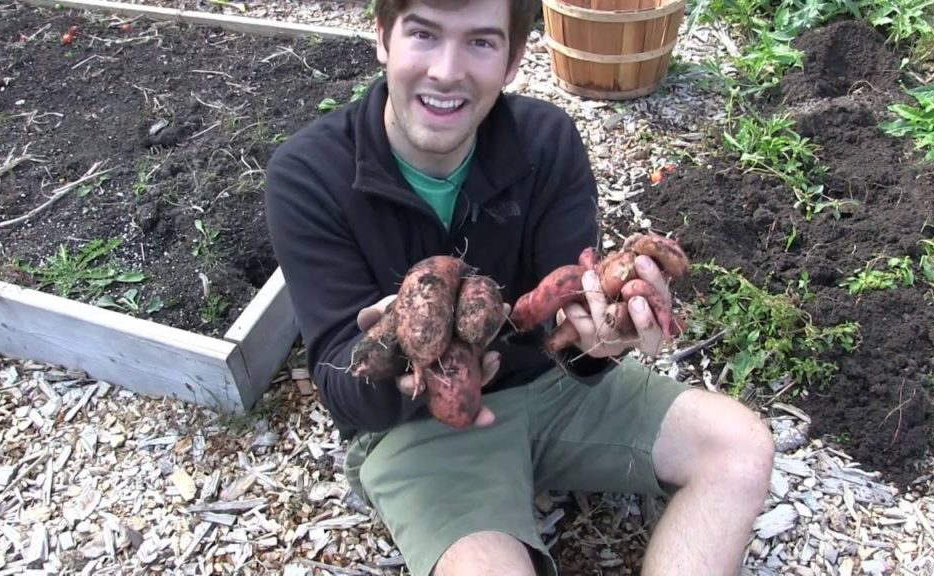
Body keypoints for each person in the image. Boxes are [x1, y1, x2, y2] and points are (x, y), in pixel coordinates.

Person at [264, 0, 776, 574]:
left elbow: (571, 322)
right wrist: (392, 360)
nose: (447, 70)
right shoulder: (308, 175)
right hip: (419, 427)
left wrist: (600, 340)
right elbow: (338, 375)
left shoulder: (545, 140)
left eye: (481, 42)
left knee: (739, 446)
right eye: (424, 34)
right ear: (383, 37)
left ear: (512, 61)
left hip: (550, 389)